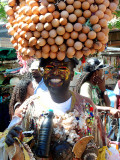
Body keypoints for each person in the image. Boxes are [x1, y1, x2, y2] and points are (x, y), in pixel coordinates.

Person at [3, 57, 120, 160]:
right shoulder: (30, 106)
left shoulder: (87, 106)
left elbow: (101, 147)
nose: (55, 72)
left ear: (72, 74)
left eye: (63, 68)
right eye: (49, 67)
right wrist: (12, 139)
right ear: (43, 73)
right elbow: (10, 143)